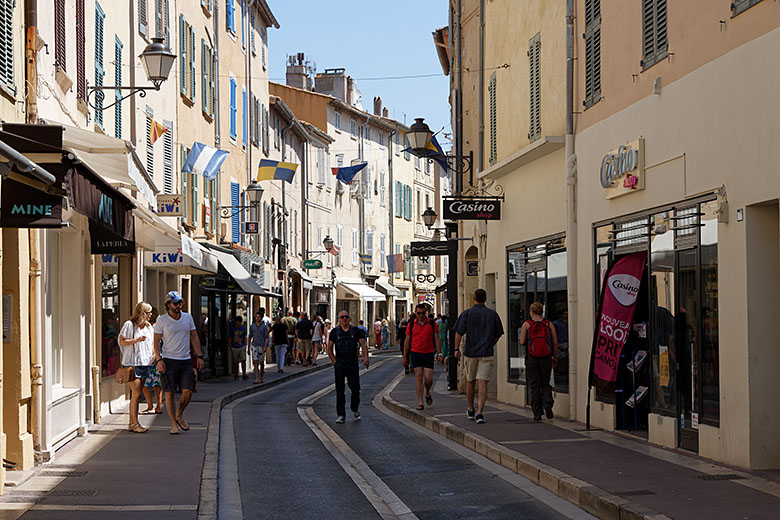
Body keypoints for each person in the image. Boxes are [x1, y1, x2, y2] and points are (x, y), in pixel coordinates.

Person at [153, 291, 204, 435]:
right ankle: (173, 425)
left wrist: (199, 356)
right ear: (168, 304)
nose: (179, 305)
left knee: (188, 391)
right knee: (169, 393)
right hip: (169, 360)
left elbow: (194, 337)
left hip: (185, 359)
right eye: (176, 303)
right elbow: (156, 342)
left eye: (180, 302)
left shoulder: (188, 317)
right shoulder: (162, 320)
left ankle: (179, 414)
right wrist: (159, 359)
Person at [454, 288, 504, 424]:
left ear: (474, 299)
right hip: (486, 352)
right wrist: (490, 344)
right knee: (483, 382)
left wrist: (456, 349)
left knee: (470, 381)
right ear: (485, 299)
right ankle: (480, 412)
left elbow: (458, 332)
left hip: (470, 351)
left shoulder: (467, 314)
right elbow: (498, 334)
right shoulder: (492, 314)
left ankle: (470, 408)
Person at [118, 302, 155, 433]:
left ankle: (132, 423)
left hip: (145, 363)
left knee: (137, 394)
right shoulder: (129, 325)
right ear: (142, 313)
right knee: (136, 393)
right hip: (132, 364)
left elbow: (151, 343)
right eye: (148, 312)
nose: (150, 314)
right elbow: (122, 341)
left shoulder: (149, 327)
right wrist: (136, 340)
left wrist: (154, 353)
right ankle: (135, 424)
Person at [327, 310, 369, 423]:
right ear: (338, 320)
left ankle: (354, 408)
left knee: (355, 389)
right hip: (340, 364)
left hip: (352, 364)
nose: (344, 319)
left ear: (349, 319)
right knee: (339, 390)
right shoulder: (335, 332)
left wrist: (365, 357)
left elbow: (363, 344)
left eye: (346, 317)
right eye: (342, 317)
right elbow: (329, 347)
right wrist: (334, 362)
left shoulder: (356, 331)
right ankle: (341, 414)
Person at [520, 302, 559, 421]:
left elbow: (522, 342)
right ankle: (547, 402)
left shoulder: (527, 324)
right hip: (546, 358)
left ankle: (537, 413)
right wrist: (555, 357)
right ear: (542, 311)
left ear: (531, 312)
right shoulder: (549, 324)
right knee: (545, 382)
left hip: (532, 358)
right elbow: (555, 343)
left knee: (534, 385)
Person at [403, 304, 443, 410]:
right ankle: (420, 402)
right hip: (415, 353)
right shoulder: (411, 325)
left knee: (428, 379)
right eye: (418, 313)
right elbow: (407, 341)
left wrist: (440, 353)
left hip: (428, 353)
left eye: (423, 313)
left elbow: (437, 339)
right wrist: (405, 356)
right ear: (416, 313)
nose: (421, 315)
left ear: (426, 313)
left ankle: (427, 391)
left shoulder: (432, 323)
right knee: (418, 376)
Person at [142, 306, 163, 415]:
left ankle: (150, 406)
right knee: (157, 384)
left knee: (145, 383)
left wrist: (154, 355)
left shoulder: (150, 328)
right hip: (157, 358)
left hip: (150, 358)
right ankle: (158, 406)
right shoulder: (157, 327)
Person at [248, 310, 270, 384]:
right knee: (255, 362)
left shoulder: (264, 327)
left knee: (261, 362)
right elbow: (250, 337)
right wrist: (248, 347)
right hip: (254, 345)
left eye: (259, 317)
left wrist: (265, 347)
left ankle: (262, 377)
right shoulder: (252, 326)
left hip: (261, 345)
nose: (257, 318)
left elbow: (266, 337)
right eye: (256, 317)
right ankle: (257, 378)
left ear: (261, 318)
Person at [552, 309, 569, 387]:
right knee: (560, 362)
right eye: (565, 314)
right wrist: (557, 345)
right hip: (559, 345)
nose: (567, 315)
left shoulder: (569, 323)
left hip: (567, 344)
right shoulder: (555, 324)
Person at [228, 316, 248, 380]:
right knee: (235, 362)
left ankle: (244, 374)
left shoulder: (243, 328)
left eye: (240, 321)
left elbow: (244, 337)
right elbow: (229, 339)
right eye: (238, 321)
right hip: (234, 347)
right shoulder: (232, 329)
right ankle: (236, 374)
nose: (239, 323)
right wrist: (230, 346)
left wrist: (245, 345)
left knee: (243, 361)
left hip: (242, 346)